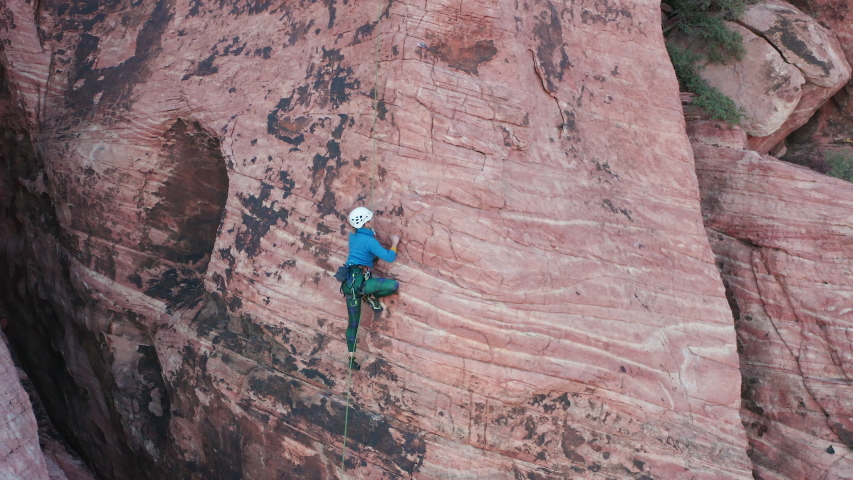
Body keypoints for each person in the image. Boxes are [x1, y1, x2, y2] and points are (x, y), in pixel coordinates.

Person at [341, 207, 400, 370]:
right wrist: (394, 243)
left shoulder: (353, 235)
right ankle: (369, 297)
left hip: (348, 283)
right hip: (361, 283)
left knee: (353, 323)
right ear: (364, 222)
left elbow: (364, 243)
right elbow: (390, 257)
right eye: (368, 219)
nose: (370, 221)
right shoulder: (369, 241)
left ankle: (351, 359)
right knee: (392, 286)